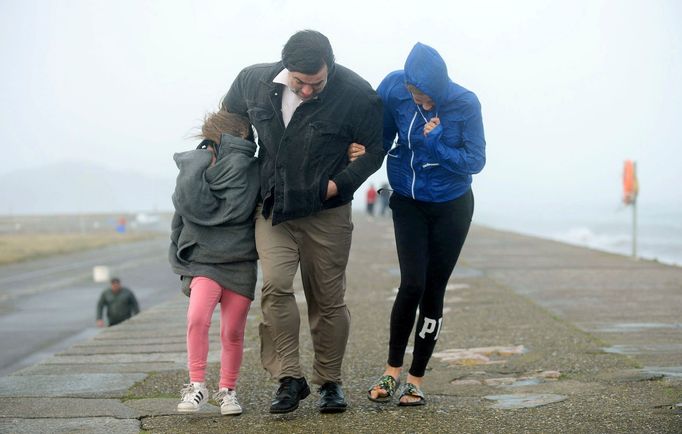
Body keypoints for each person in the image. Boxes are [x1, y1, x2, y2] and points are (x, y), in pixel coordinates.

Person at [222, 30, 384, 414]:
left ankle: (329, 381)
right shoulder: (253, 81)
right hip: (274, 208)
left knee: (327, 300)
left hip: (326, 213)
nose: (308, 90)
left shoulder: (357, 94)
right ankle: (288, 378)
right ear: (286, 69)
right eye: (300, 82)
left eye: (317, 83)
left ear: (330, 65)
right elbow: (230, 119)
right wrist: (228, 163)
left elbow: (375, 149)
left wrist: (338, 184)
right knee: (275, 287)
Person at [367, 42, 486, 406]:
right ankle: (391, 372)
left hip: (452, 206)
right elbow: (383, 135)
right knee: (411, 284)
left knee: (433, 289)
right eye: (417, 95)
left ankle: (416, 379)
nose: (424, 102)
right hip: (408, 201)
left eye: (429, 96)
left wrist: (434, 143)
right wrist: (363, 154)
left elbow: (475, 161)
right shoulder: (393, 88)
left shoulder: (465, 103)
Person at [169, 109, 260, 416]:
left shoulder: (253, 169)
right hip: (205, 261)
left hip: (240, 261)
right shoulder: (197, 170)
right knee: (197, 318)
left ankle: (228, 391)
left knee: (232, 332)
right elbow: (183, 212)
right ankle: (197, 386)